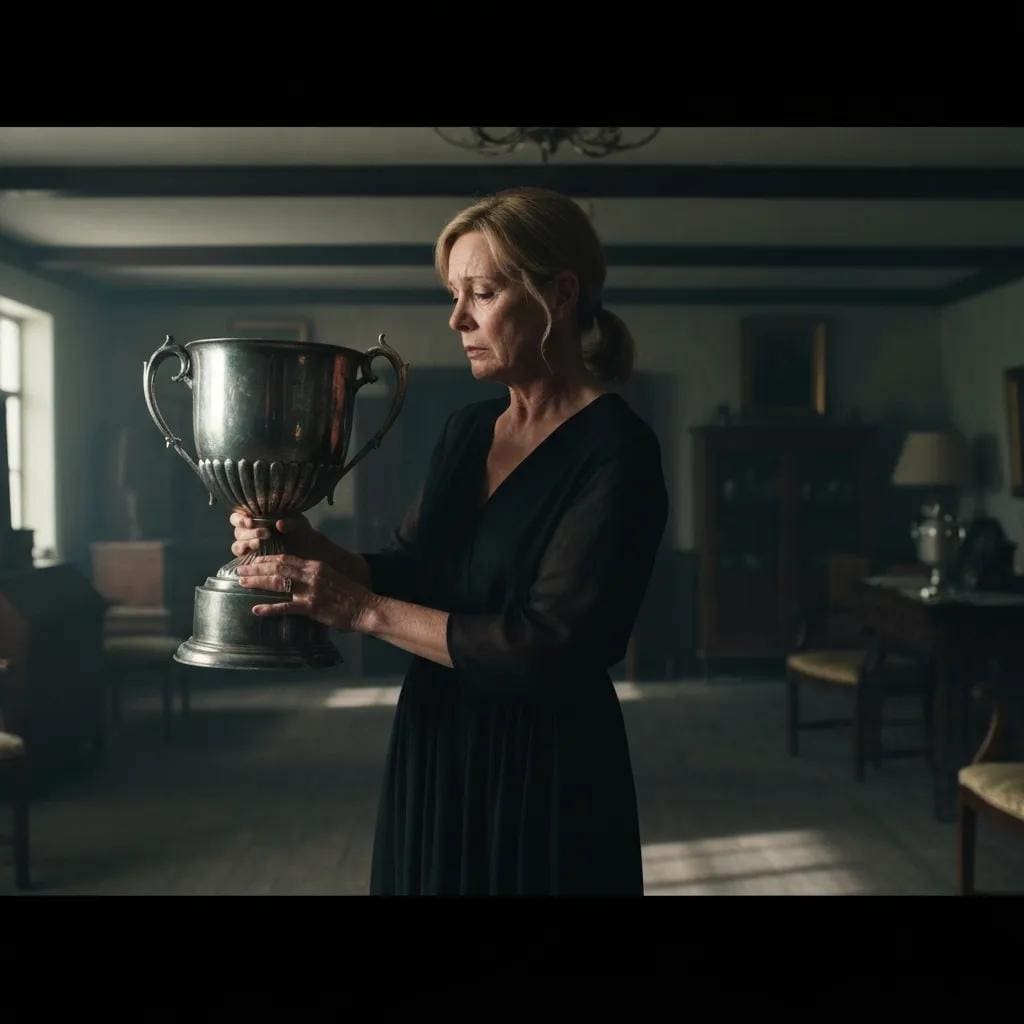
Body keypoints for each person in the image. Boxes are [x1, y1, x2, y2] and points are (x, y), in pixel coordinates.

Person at [231, 186, 668, 895]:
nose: (457, 317)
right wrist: (309, 548)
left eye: (483, 293)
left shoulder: (618, 450)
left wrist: (360, 610)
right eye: (453, 294)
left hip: (543, 765)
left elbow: (551, 643)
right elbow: (412, 572)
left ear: (559, 294)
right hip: (436, 737)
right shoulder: (469, 430)